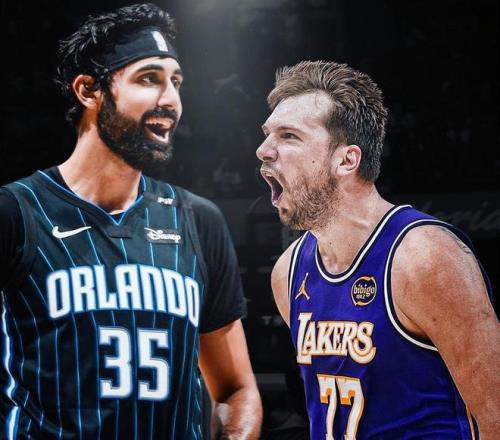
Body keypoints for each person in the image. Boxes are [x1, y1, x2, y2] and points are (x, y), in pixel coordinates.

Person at [0, 4, 262, 439]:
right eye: (149, 78)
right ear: (89, 90)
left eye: (176, 82)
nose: (171, 100)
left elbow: (237, 390)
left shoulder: (199, 220)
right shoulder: (15, 212)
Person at [256, 60, 499, 439]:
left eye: (289, 136)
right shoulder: (287, 272)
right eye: (267, 134)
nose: (264, 150)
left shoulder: (423, 256)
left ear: (346, 159)